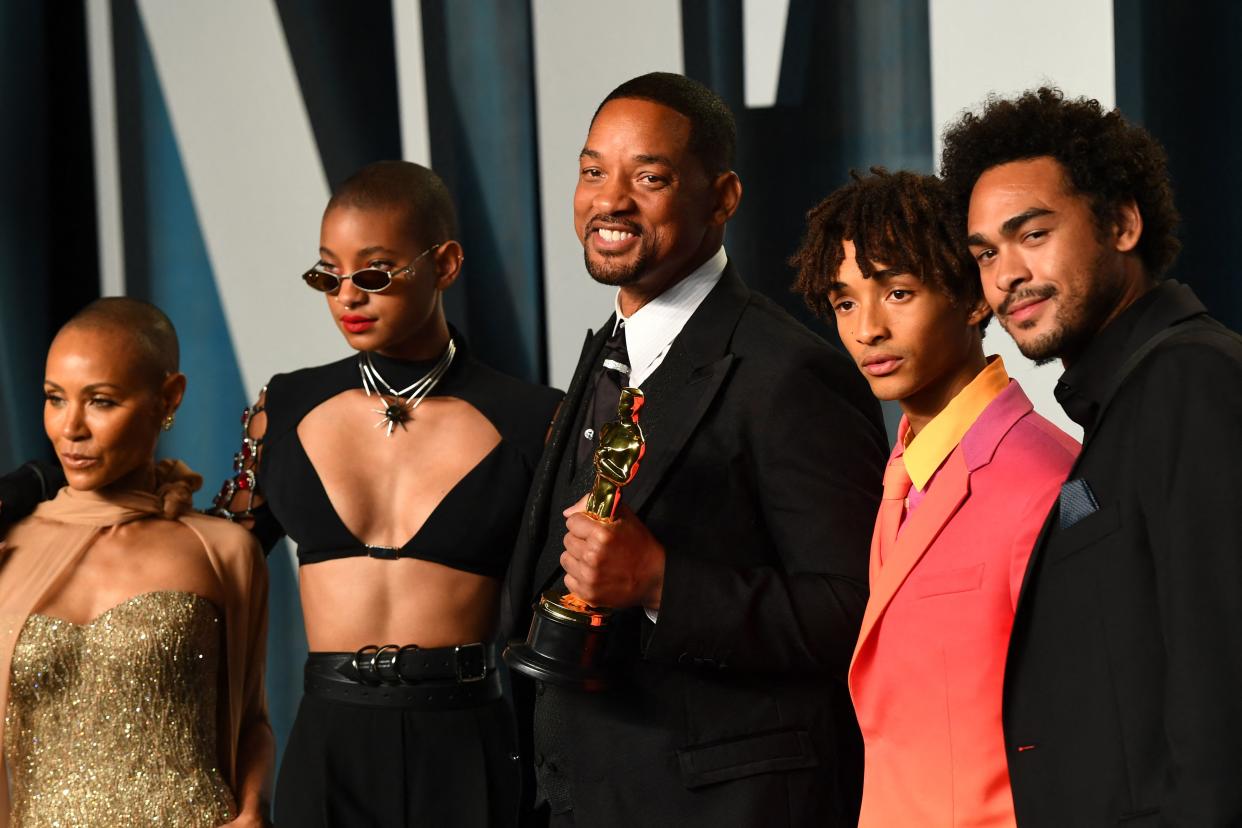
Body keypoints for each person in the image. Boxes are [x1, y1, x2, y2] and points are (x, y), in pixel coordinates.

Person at [500, 72, 887, 827]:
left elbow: (857, 611)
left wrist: (659, 583)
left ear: (724, 197)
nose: (609, 200)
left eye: (649, 177)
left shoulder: (790, 373)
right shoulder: (608, 352)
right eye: (592, 172)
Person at [210, 161, 562, 826]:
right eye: (327, 275)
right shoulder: (284, 407)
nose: (348, 296)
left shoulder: (533, 419)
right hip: (328, 742)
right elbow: (217, 555)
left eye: (373, 273)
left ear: (446, 264)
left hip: (467, 741)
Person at [940, 87, 1242, 825]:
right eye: (986, 253)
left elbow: (1222, 677)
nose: (1005, 275)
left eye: (1032, 235)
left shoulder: (1188, 378)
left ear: (1122, 223)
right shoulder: (1127, 399)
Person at [790, 168, 1079, 826]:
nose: (867, 329)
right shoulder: (900, 469)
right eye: (844, 302)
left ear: (974, 299)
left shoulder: (1045, 480)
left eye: (898, 292)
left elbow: (1077, 730)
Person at [0, 298, 270, 827]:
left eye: (100, 401)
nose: (70, 428)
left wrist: (255, 809)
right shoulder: (11, 546)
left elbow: (252, 720)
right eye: (55, 399)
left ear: (168, 397)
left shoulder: (221, 552)